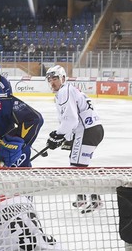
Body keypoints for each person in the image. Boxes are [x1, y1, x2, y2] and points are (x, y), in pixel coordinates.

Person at [44, 65, 105, 213]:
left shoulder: (65, 91)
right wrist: (64, 137)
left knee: (77, 168)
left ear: (63, 78)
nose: (52, 82)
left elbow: (71, 120)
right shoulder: (66, 91)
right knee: (77, 164)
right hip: (90, 130)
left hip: (87, 131)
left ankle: (95, 199)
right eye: (50, 79)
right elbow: (70, 119)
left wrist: (58, 135)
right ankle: (82, 197)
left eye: (55, 78)